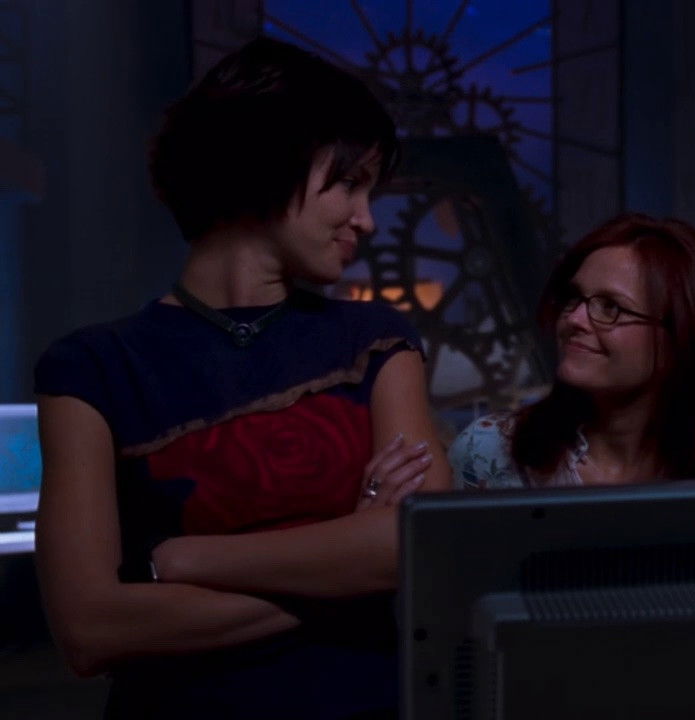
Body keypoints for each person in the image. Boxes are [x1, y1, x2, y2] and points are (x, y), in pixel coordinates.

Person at [33, 38, 450, 718]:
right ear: (268, 162)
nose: (368, 220)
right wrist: (346, 563)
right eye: (349, 183)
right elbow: (90, 629)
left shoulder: (375, 340)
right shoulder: (93, 367)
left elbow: (420, 548)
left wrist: (180, 560)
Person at [449, 213, 695, 489]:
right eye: (573, 297)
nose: (574, 319)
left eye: (610, 307)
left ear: (680, 338)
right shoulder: (488, 454)